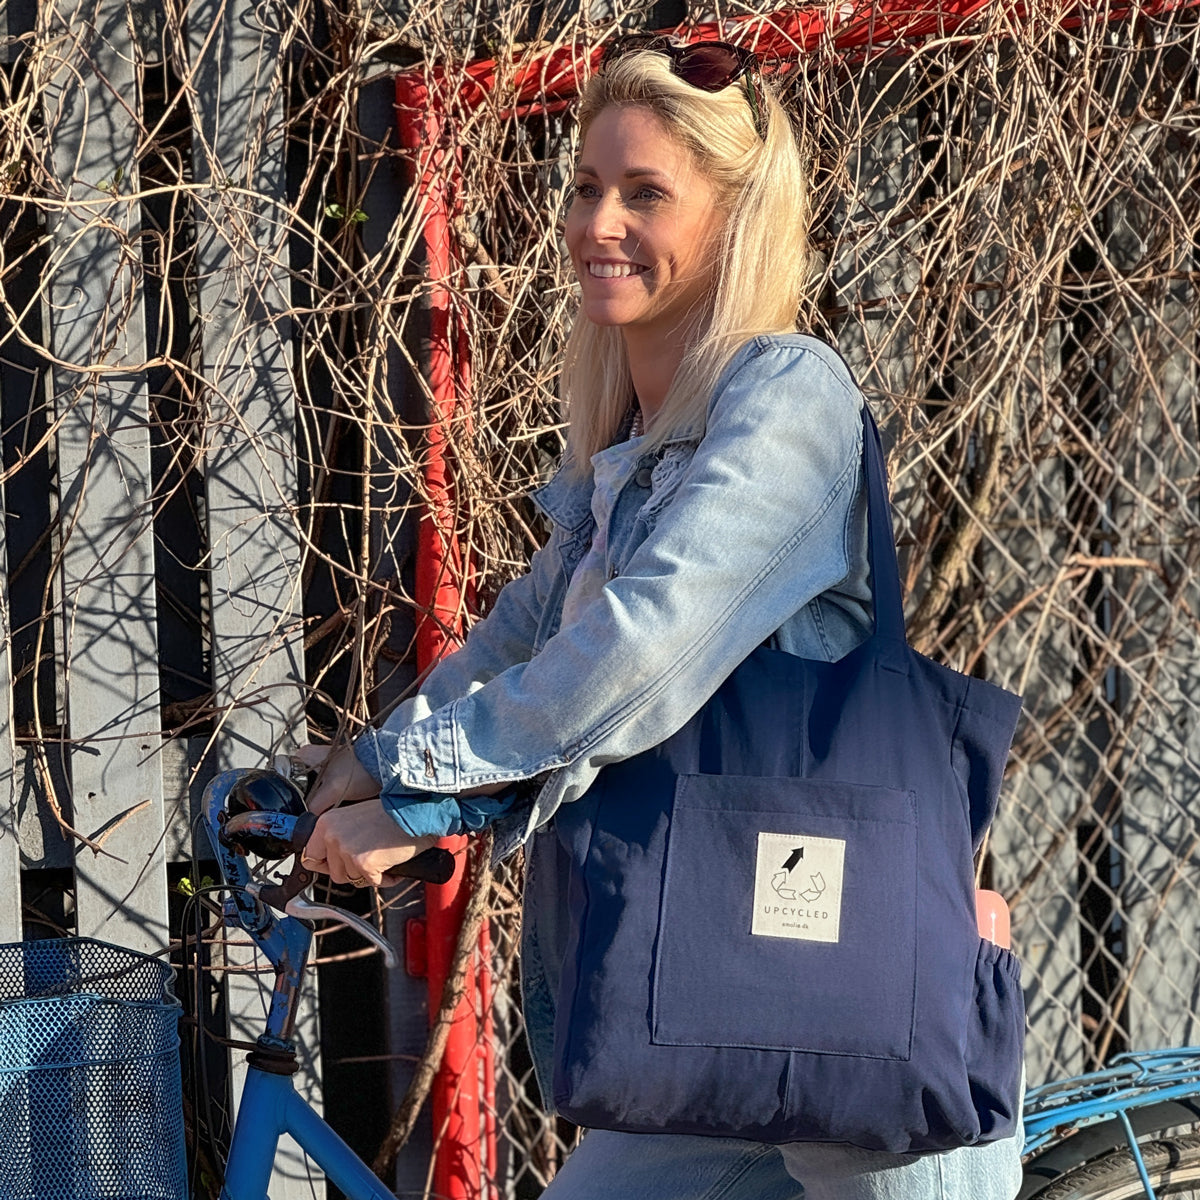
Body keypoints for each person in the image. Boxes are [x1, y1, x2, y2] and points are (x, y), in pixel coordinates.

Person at [297, 35, 1024, 1200]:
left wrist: (422, 798)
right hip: (706, 995)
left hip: (855, 1006)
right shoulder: (631, 452)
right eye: (586, 187)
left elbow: (640, 649)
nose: (599, 223)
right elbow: (524, 638)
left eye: (645, 194)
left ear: (734, 220)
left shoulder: (790, 399)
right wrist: (365, 762)